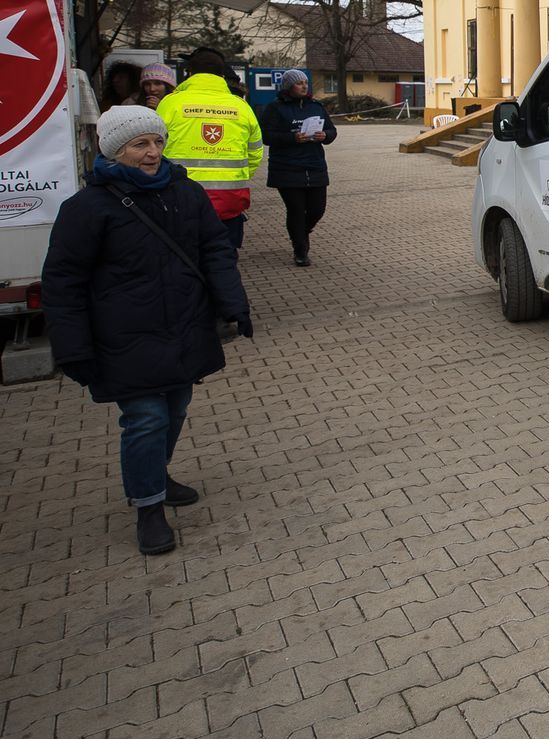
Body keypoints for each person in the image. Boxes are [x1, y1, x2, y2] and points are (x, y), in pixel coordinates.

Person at [40, 106, 252, 555]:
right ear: (116, 151)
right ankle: (148, 508)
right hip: (123, 335)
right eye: (140, 144)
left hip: (182, 325)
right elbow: (63, 282)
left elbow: (215, 249)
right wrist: (71, 347)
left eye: (157, 142)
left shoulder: (185, 192)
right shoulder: (87, 208)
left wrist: (233, 305)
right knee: (146, 418)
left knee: (175, 409)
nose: (153, 152)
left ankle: (156, 474)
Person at [157, 47, 264, 251]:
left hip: (180, 200)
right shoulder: (241, 107)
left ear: (189, 73)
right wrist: (236, 177)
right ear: (222, 75)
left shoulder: (170, 104)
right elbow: (255, 152)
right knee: (223, 261)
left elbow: (154, 149)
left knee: (185, 263)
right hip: (229, 201)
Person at [259, 68, 337, 267]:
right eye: (299, 83)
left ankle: (302, 233)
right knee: (296, 209)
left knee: (317, 209)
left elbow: (331, 130)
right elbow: (267, 136)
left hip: (314, 165)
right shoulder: (275, 108)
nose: (304, 86)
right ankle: (300, 249)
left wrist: (325, 136)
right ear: (288, 86)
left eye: (305, 82)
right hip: (287, 167)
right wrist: (292, 138)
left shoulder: (316, 106)